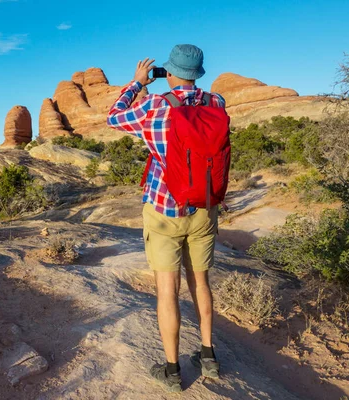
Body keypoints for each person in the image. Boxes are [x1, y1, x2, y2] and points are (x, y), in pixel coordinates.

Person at [106, 44, 227, 393]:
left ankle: (172, 370)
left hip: (164, 209)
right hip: (204, 207)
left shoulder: (153, 105)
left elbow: (114, 117)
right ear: (199, 73)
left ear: (168, 72)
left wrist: (137, 84)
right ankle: (208, 356)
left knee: (167, 292)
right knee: (201, 283)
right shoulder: (215, 102)